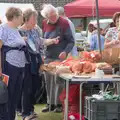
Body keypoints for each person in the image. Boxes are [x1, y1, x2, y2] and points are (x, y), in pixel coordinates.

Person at [17, 8, 60, 120]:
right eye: (34, 18)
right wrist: (21, 40)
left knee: (35, 87)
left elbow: (40, 41)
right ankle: (26, 113)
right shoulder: (19, 32)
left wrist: (52, 40)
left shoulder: (35, 30)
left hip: (36, 62)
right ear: (26, 19)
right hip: (25, 63)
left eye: (36, 17)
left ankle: (29, 109)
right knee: (27, 88)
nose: (35, 20)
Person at [41, 4, 74, 112]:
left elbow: (71, 41)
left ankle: (59, 104)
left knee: (58, 81)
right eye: (51, 16)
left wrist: (65, 51)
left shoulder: (64, 23)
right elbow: (42, 40)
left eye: (55, 15)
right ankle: (49, 103)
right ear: (46, 17)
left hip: (60, 57)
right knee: (48, 80)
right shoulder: (44, 23)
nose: (54, 18)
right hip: (48, 56)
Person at [0, 7, 26, 120]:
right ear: (15, 17)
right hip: (8, 65)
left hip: (19, 66)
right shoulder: (3, 28)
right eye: (21, 16)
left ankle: (11, 117)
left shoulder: (16, 29)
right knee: (7, 95)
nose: (22, 19)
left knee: (15, 95)